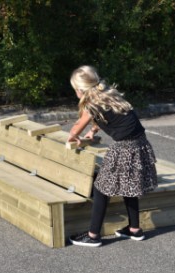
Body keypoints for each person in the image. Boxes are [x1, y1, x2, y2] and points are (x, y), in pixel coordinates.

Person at [67, 65, 157, 247]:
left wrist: (73, 137)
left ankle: (92, 236)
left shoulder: (90, 104)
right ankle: (134, 229)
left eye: (75, 89)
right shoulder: (107, 93)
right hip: (140, 142)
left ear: (80, 90)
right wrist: (93, 131)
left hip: (125, 147)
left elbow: (77, 125)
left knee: (101, 188)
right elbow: (107, 115)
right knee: (128, 184)